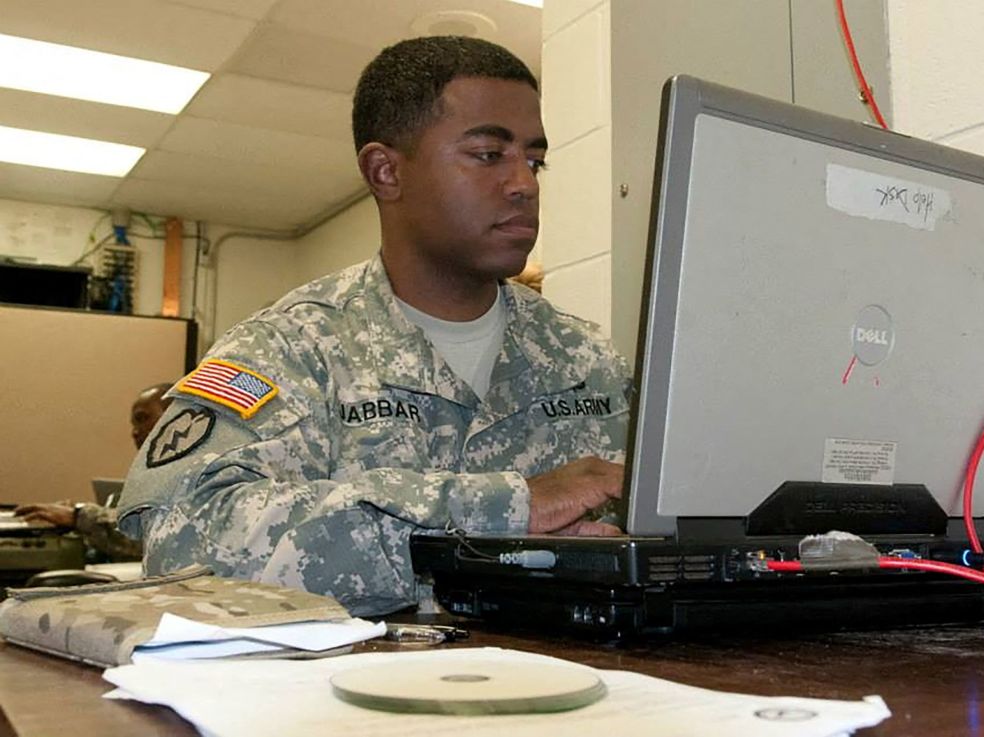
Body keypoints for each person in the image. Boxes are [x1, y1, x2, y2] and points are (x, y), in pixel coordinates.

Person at [117, 37, 630, 617]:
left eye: (533, 160)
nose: (524, 184)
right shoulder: (289, 349)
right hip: (355, 699)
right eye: (489, 154)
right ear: (386, 171)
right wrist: (503, 509)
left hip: (580, 692)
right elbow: (179, 542)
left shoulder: (590, 360)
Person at [15, 383, 172, 561]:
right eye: (134, 423)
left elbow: (152, 536)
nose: (135, 432)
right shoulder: (155, 472)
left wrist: (78, 516)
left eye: (143, 418)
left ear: (176, 417)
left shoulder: (195, 473)